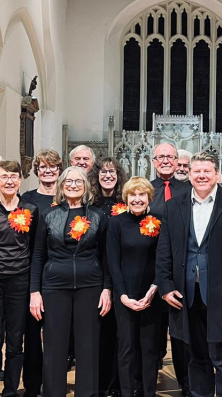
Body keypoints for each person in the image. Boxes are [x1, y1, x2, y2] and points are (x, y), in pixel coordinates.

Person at [156, 152, 222, 397]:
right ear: (189, 175)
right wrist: (166, 286)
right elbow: (164, 250)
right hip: (186, 293)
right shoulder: (174, 206)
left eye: (206, 171)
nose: (201, 176)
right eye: (197, 171)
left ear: (217, 175)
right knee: (196, 357)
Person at [30, 166, 112, 397]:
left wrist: (107, 288)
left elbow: (106, 256)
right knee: (55, 345)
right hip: (54, 286)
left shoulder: (97, 215)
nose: (73, 185)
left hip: (90, 285)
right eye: (69, 181)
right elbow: (38, 255)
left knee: (88, 345)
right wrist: (34, 291)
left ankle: (87, 393)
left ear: (85, 186)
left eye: (78, 181)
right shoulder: (48, 214)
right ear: (61, 185)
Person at [0, 160, 38, 397]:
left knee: (14, 343)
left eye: (14, 176)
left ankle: (11, 391)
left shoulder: (31, 210)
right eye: (4, 177)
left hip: (19, 282)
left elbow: (34, 249)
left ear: (20, 180)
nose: (9, 181)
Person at [107, 177, 162, 397]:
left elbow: (163, 259)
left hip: (152, 294)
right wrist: (122, 295)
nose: (137, 199)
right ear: (126, 197)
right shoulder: (116, 223)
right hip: (125, 296)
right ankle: (127, 392)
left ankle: (148, 392)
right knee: (126, 348)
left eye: (142, 195)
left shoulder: (159, 221)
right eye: (133, 195)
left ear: (149, 197)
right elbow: (112, 261)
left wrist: (153, 290)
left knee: (149, 349)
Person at [20, 149, 62, 397]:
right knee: (33, 333)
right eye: (43, 167)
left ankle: (52, 383)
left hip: (58, 271)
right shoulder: (28, 198)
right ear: (37, 170)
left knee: (56, 332)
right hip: (32, 269)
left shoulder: (66, 196)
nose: (48, 171)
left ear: (59, 169)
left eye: (52, 166)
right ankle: (32, 384)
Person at [150, 143, 191, 393]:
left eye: (170, 157)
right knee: (152, 329)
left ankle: (186, 383)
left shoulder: (189, 190)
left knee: (181, 333)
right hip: (149, 268)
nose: (165, 160)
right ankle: (147, 380)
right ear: (153, 161)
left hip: (181, 269)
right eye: (161, 157)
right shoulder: (144, 189)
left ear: (177, 161)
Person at [87, 156, 129, 397]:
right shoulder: (89, 203)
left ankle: (114, 384)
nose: (107, 176)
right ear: (97, 176)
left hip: (118, 271)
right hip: (94, 271)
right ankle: (98, 383)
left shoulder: (124, 202)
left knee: (116, 332)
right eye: (103, 172)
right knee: (97, 331)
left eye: (112, 172)